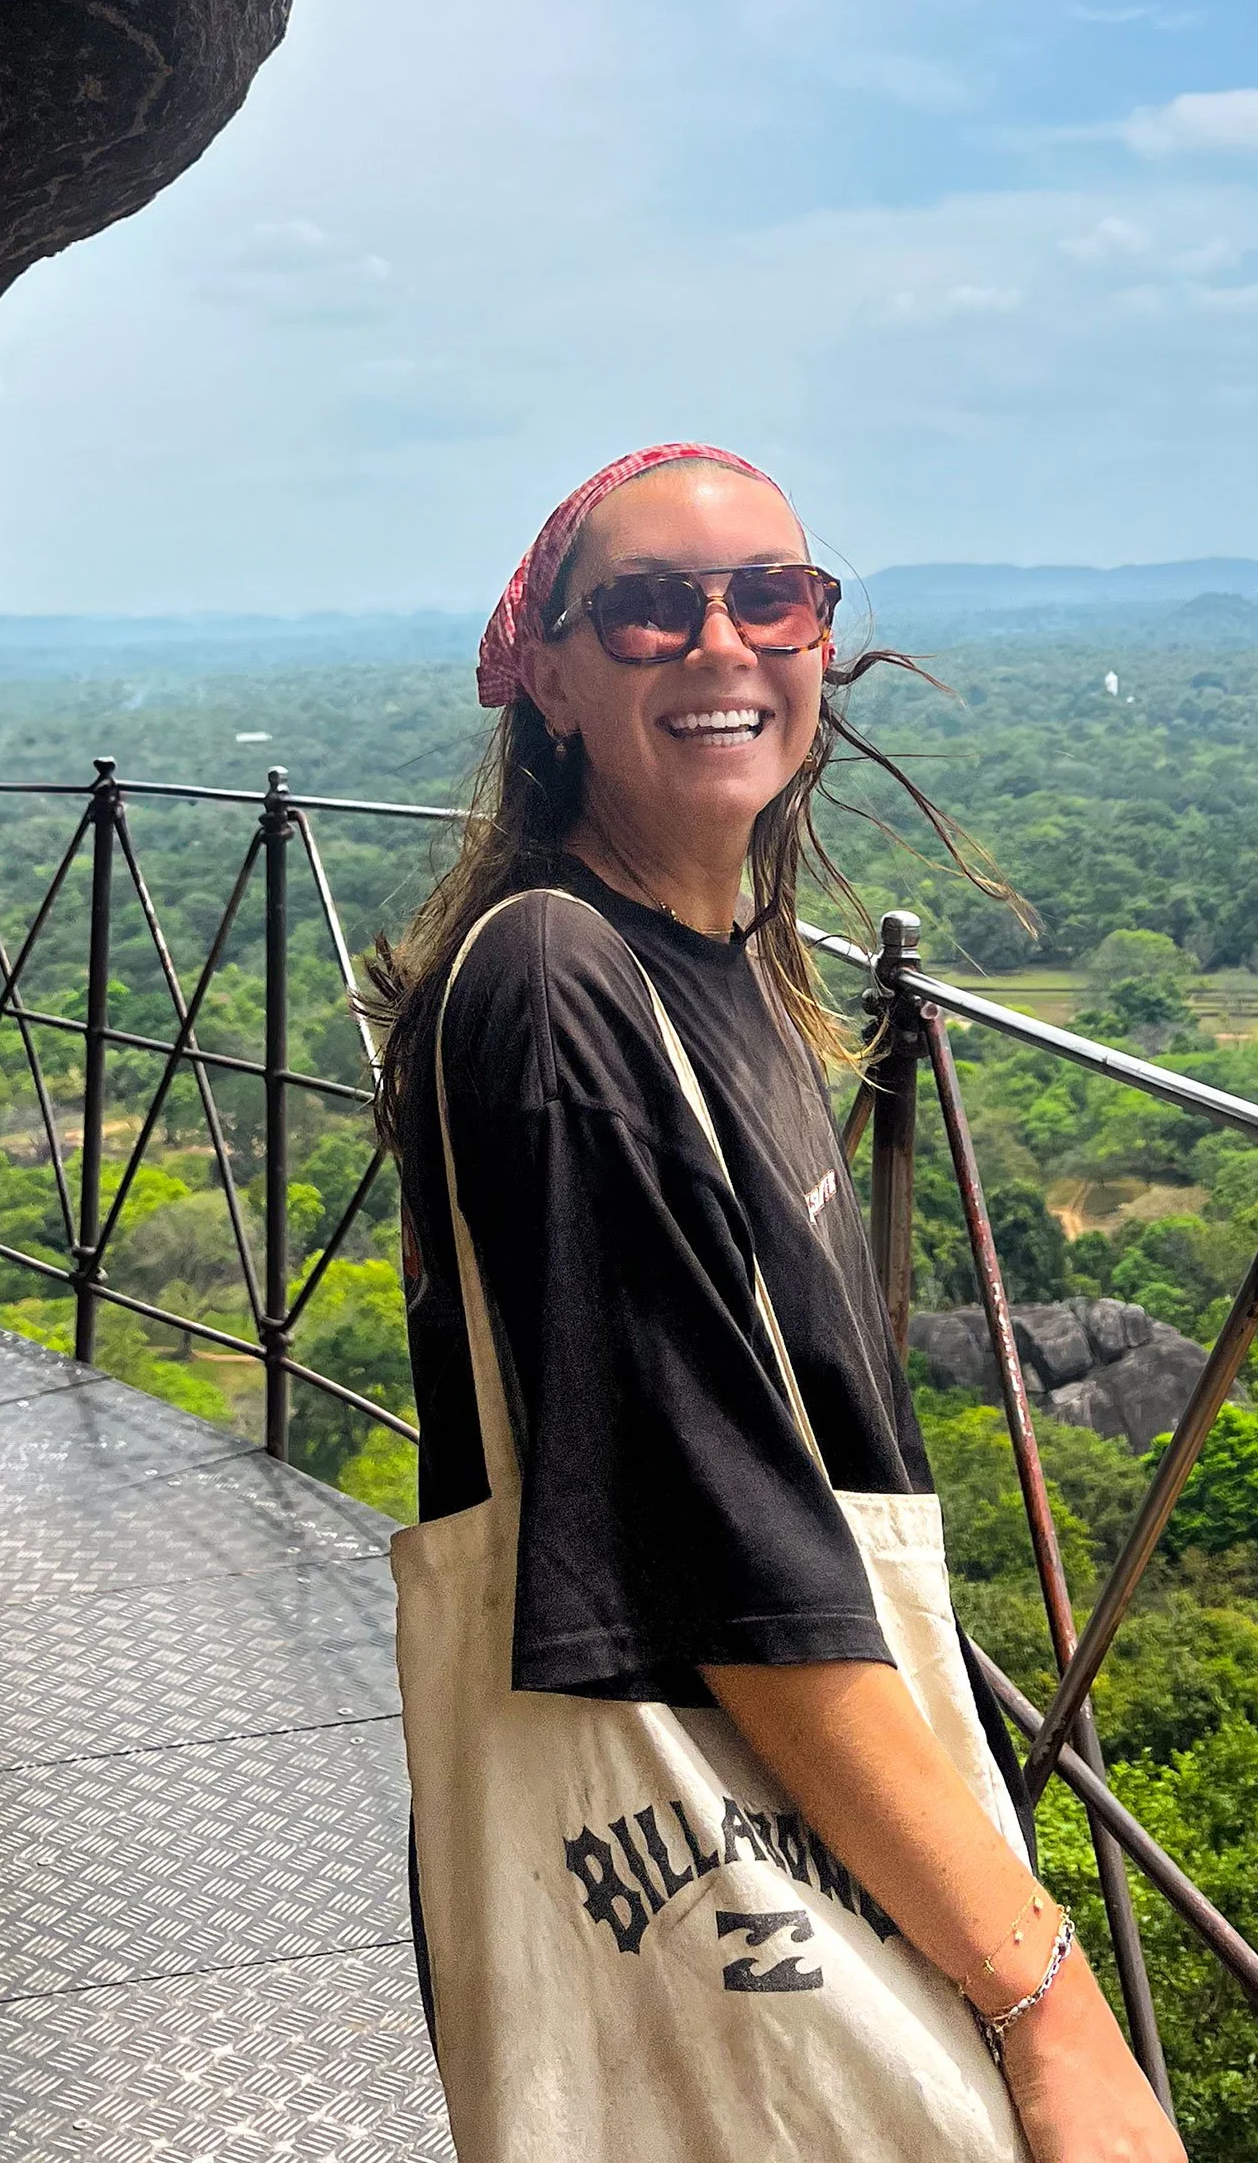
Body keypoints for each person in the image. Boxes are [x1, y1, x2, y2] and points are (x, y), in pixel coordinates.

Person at [374, 443, 1186, 2163]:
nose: (724, 641)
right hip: (698, 1852)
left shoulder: (731, 967)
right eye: (653, 609)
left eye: (776, 598)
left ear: (824, 643)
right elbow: (734, 1566)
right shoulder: (560, 986)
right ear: (555, 678)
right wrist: (1055, 2011)